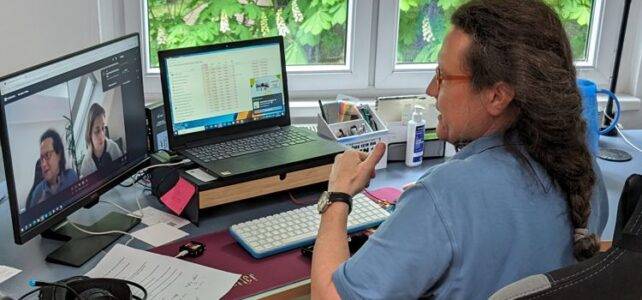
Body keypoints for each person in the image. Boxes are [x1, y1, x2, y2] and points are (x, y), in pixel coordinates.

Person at [311, 0, 609, 298]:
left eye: (443, 76)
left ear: (497, 96)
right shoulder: (583, 171)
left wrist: (338, 196)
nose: (431, 90)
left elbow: (329, 296)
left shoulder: (444, 196)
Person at [27, 129, 78, 209]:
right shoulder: (38, 193)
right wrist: (40, 209)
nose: (43, 164)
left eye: (47, 155)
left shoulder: (71, 176)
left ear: (59, 155)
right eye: (41, 158)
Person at [79, 103, 123, 177]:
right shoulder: (86, 164)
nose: (102, 134)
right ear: (89, 133)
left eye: (103, 128)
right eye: (97, 131)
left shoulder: (114, 148)